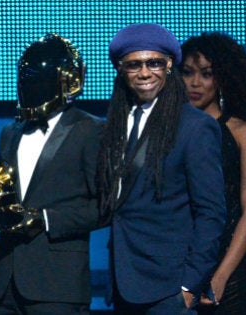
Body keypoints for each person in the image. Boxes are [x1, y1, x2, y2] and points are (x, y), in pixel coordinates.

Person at [96, 23, 226, 314]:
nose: (144, 73)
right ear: (120, 68)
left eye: (153, 63)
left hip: (169, 288)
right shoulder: (115, 125)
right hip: (122, 284)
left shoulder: (193, 126)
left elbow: (211, 212)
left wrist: (189, 286)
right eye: (134, 65)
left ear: (169, 65)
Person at [0, 34, 103, 314]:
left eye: (37, 78)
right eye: (26, 77)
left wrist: (45, 219)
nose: (28, 85)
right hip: (5, 283)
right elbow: (7, 193)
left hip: (58, 286)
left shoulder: (91, 130)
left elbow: (105, 207)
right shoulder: (10, 132)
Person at [181, 31, 246, 315]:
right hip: (179, 265)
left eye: (206, 74)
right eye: (187, 73)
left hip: (232, 268)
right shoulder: (169, 134)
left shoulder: (242, 133)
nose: (195, 83)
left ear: (223, 78)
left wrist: (221, 276)